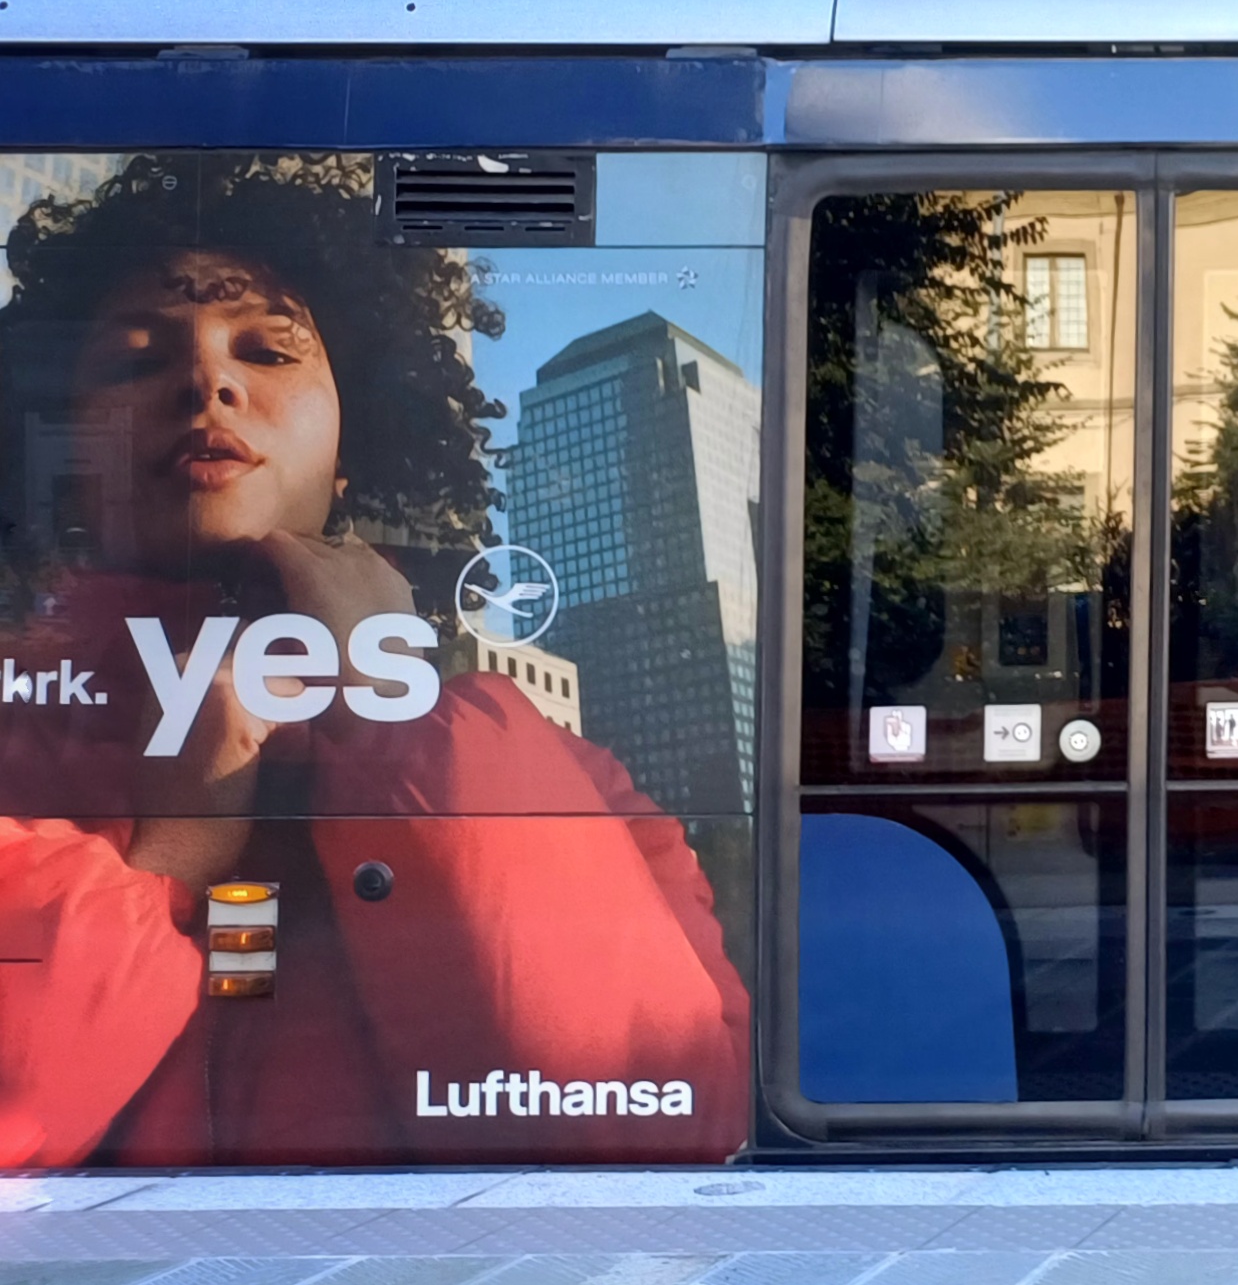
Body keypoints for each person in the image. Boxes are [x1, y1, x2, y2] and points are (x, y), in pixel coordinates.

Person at [0, 155, 748, 1166]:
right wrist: (175, 856)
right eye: (136, 361)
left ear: (354, 446)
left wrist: (396, 708)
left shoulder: (550, 763)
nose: (207, 379)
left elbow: (644, 1114)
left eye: (268, 351)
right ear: (57, 452)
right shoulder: (19, 723)